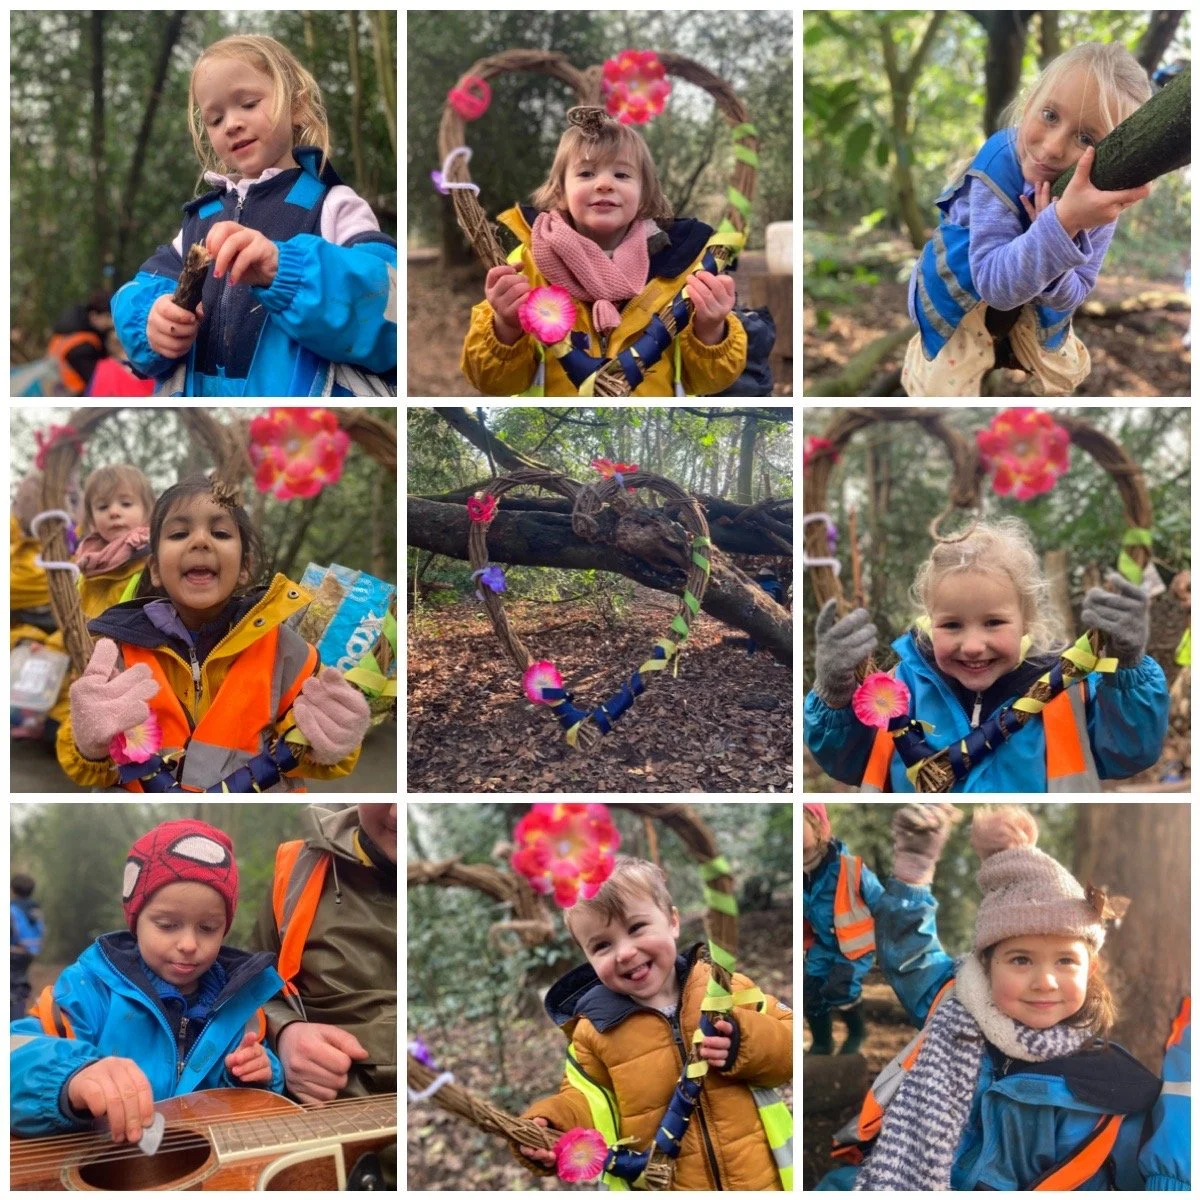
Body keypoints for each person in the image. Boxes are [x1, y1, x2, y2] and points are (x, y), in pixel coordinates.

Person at [817, 804, 1189, 1189]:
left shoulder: (1106, 1081)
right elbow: (910, 956)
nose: (1045, 981)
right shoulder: (957, 1003)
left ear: (1090, 970)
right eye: (1021, 960)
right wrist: (913, 871)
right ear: (987, 965)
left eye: (1065, 961)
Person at [111, 33, 396, 397]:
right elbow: (139, 290)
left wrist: (284, 270)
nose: (231, 124)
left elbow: (389, 306)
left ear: (298, 105)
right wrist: (153, 321)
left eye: (247, 103)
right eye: (214, 119)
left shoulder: (334, 206)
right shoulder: (201, 219)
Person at [56, 474, 371, 791]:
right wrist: (88, 746)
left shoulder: (287, 652)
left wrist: (333, 740)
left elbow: (309, 747)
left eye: (220, 532)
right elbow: (93, 767)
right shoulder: (118, 650)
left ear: (244, 566)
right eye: (179, 533)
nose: (200, 541)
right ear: (154, 569)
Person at [804, 517, 1169, 791]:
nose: (974, 645)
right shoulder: (896, 689)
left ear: (1026, 620)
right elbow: (847, 761)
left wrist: (1128, 668)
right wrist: (834, 695)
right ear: (930, 620)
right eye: (952, 625)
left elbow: (1130, 752)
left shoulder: (1072, 688)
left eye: (993, 622)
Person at [514, 856, 792, 1189]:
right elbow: (584, 1101)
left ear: (672, 922)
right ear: (587, 958)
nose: (625, 952)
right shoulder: (593, 1033)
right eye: (602, 945)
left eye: (636, 928)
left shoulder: (727, 989)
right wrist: (553, 1126)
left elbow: (788, 1048)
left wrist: (746, 1042)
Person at [902, 42, 1153, 397]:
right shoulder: (999, 165)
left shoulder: (1098, 200)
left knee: (1066, 375)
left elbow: (1077, 290)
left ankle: (1015, 344)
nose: (1051, 147)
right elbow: (995, 285)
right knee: (938, 391)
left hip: (1030, 297)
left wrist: (1062, 230)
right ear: (1030, 101)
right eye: (1050, 115)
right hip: (962, 291)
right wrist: (1061, 226)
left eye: (1085, 138)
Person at [11, 819, 284, 1141]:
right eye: (167, 925)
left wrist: (259, 1075)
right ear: (135, 920)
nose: (188, 944)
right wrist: (69, 1078)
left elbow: (253, 1099)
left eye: (208, 928)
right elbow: (14, 1053)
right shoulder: (87, 991)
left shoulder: (242, 1008)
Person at [461, 105, 748, 396]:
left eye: (622, 175)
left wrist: (710, 329)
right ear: (559, 191)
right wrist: (506, 326)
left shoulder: (683, 269)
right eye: (586, 173)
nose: (604, 184)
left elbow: (709, 380)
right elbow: (490, 381)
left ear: (644, 195)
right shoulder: (527, 265)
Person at [249, 802, 396, 1101]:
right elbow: (248, 987)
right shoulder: (299, 868)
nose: (395, 812)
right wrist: (285, 1033)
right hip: (323, 1116)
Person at [803, 803, 882, 1055]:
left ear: (818, 828)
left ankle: (857, 1031)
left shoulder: (849, 867)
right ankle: (823, 1042)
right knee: (810, 991)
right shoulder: (800, 873)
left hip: (855, 947)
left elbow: (882, 904)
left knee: (841, 988)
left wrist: (890, 941)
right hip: (823, 945)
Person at [73, 464, 156, 620]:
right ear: (91, 518)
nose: (114, 512)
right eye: (103, 507)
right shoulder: (86, 560)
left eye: (126, 504)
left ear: (148, 510)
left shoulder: (155, 559)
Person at [48, 293, 114, 395]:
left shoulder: (76, 324)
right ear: (94, 316)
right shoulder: (80, 348)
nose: (112, 323)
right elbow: (100, 383)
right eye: (109, 317)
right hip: (78, 391)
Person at [10, 873, 45, 1021]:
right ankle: (16, 1020)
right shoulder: (35, 909)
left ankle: (13, 1024)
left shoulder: (11, 909)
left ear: (13, 889)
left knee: (13, 988)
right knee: (18, 986)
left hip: (13, 952)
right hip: (30, 953)